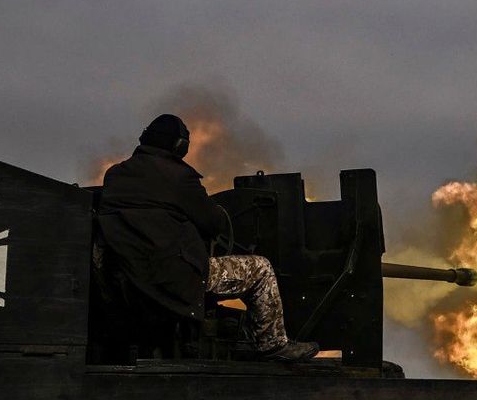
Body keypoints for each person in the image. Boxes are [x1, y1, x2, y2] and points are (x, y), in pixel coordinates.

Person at [97, 114, 317, 360]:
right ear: (180, 146)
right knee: (261, 269)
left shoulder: (114, 175)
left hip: (127, 277)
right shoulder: (180, 177)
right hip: (175, 279)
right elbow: (214, 223)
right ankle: (273, 344)